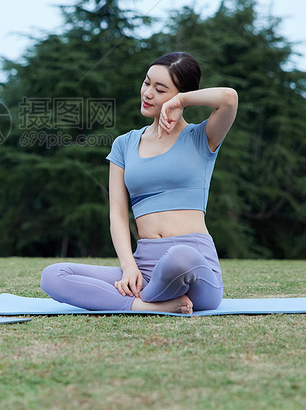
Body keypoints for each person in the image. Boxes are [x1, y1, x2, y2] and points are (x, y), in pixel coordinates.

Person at [41, 51, 238, 314]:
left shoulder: (201, 138)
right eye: (146, 83)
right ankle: (147, 304)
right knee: (54, 275)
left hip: (194, 268)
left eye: (160, 89)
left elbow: (229, 98)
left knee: (180, 258)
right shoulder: (125, 144)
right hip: (144, 268)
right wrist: (129, 267)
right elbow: (118, 214)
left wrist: (180, 101)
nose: (147, 93)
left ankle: (144, 301)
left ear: (182, 96)